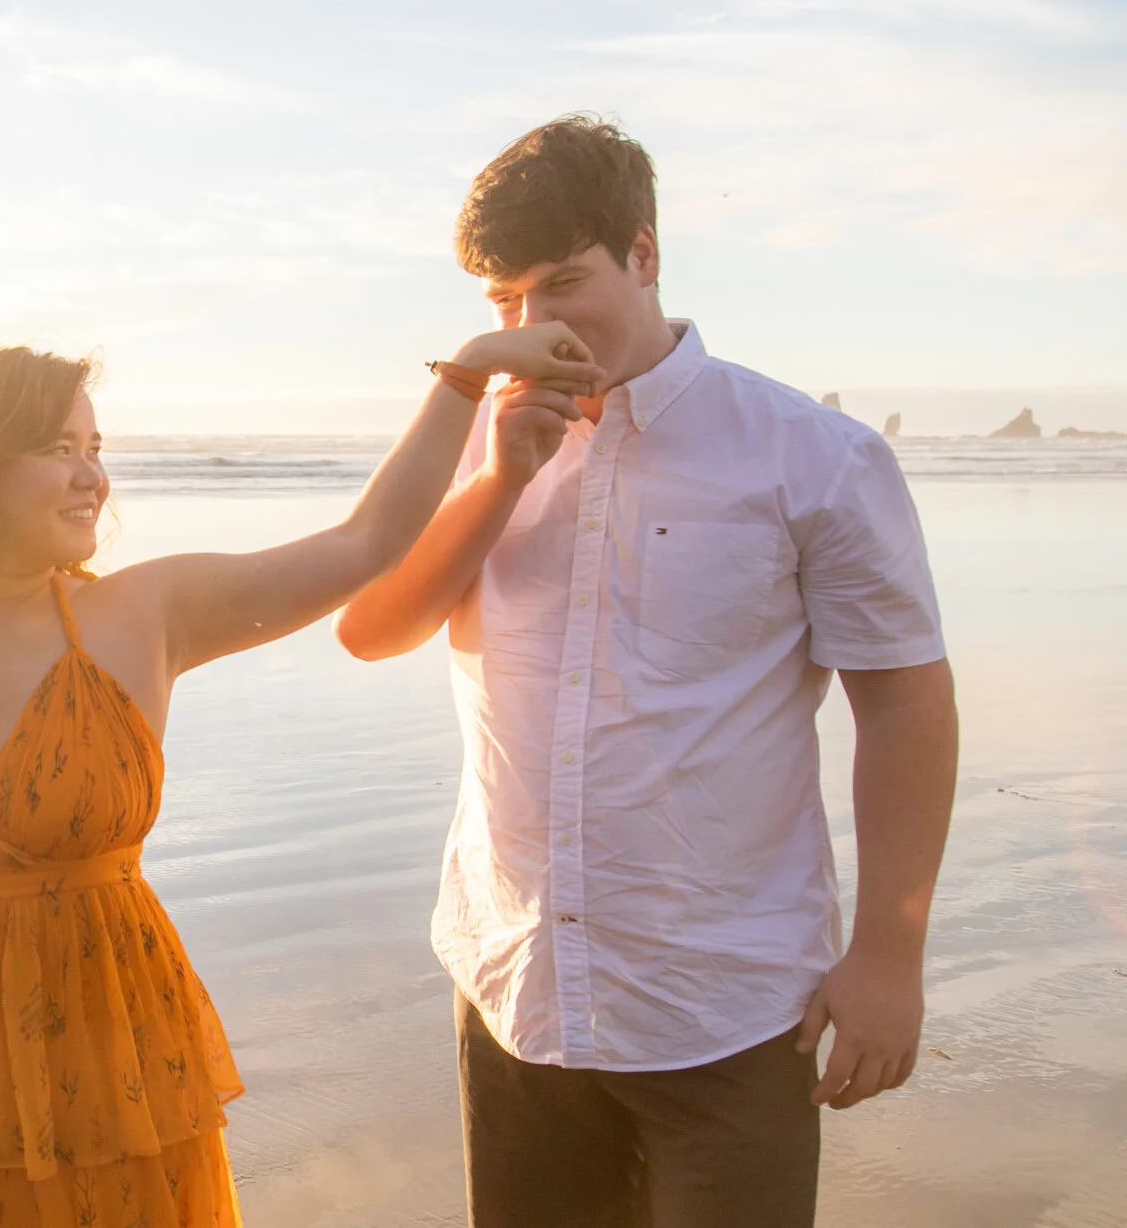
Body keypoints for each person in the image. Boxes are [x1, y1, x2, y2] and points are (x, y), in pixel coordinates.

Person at [0, 332, 604, 1225]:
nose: (92, 475)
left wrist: (464, 378)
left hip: (111, 1079)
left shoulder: (148, 614)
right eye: (59, 448)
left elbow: (361, 546)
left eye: (95, 448)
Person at [336, 115, 961, 1228]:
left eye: (560, 283)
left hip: (719, 1004)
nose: (531, 325)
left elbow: (904, 702)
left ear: (644, 254)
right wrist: (495, 480)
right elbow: (371, 627)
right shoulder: (480, 436)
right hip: (513, 990)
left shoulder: (809, 455)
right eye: (501, 301)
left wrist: (888, 954)